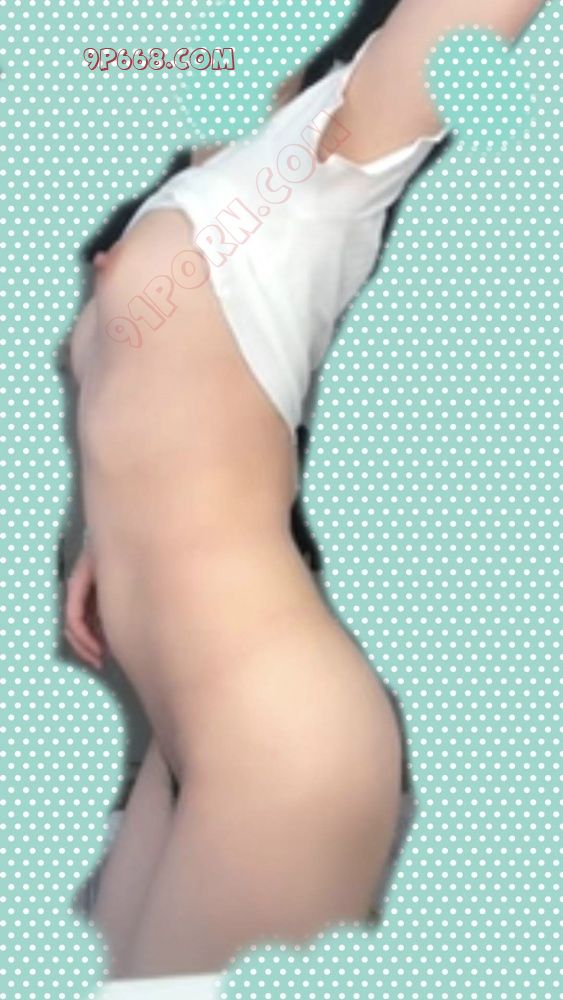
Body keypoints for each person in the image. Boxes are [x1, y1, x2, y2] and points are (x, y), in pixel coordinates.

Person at [62, 0, 543, 979]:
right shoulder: (216, 174)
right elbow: (166, 405)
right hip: (180, 747)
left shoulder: (334, 149)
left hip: (275, 741)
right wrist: (104, 538)